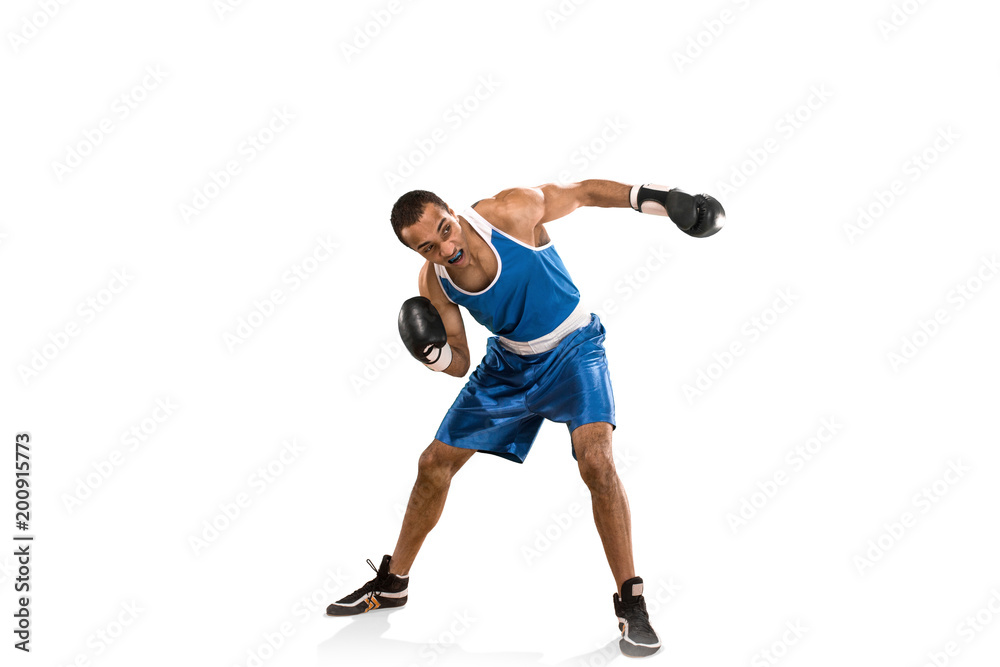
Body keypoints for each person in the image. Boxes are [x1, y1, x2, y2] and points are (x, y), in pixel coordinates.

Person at [327, 180, 724, 657]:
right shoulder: (433, 282)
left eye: (446, 230)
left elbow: (583, 195)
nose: (447, 248)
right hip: (509, 367)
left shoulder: (508, 213)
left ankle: (631, 601)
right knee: (433, 464)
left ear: (452, 212)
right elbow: (458, 361)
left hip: (575, 351)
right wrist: (433, 357)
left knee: (596, 463)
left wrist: (657, 199)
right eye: (428, 248)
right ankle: (392, 584)